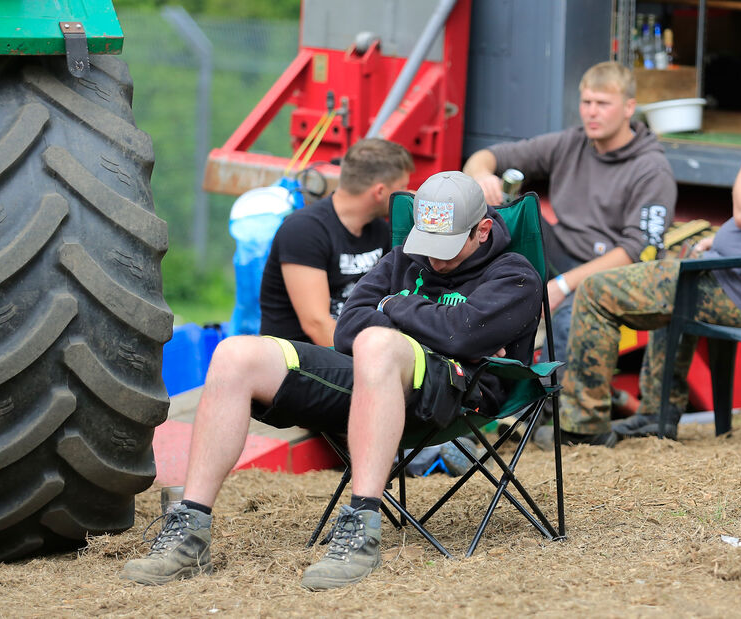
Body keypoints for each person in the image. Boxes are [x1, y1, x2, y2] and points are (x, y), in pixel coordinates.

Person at [121, 172, 543, 590]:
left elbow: (463, 334)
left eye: (447, 248)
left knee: (377, 342)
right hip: (370, 380)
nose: (433, 261)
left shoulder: (515, 275)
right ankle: (189, 532)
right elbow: (346, 328)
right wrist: (433, 323)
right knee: (237, 354)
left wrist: (395, 307)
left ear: (483, 230)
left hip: (457, 389)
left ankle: (361, 528)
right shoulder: (403, 259)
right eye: (426, 245)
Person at [535, 53, 741, 449]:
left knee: (596, 291)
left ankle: (582, 428)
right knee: (674, 275)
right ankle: (656, 416)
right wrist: (727, 239)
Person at [463, 61, 676, 359]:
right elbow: (485, 157)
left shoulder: (652, 169)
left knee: (568, 320)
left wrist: (561, 286)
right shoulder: (571, 142)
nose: (591, 112)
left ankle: (553, 401)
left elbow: (636, 252)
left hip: (612, 271)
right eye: (586, 102)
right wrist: (482, 177)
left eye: (603, 104)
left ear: (629, 108)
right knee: (503, 212)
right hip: (563, 252)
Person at [260, 138, 414, 346]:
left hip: (356, 349)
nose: (408, 194)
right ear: (379, 192)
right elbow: (318, 326)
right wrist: (370, 362)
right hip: (301, 361)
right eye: (402, 187)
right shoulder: (304, 230)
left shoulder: (379, 229)